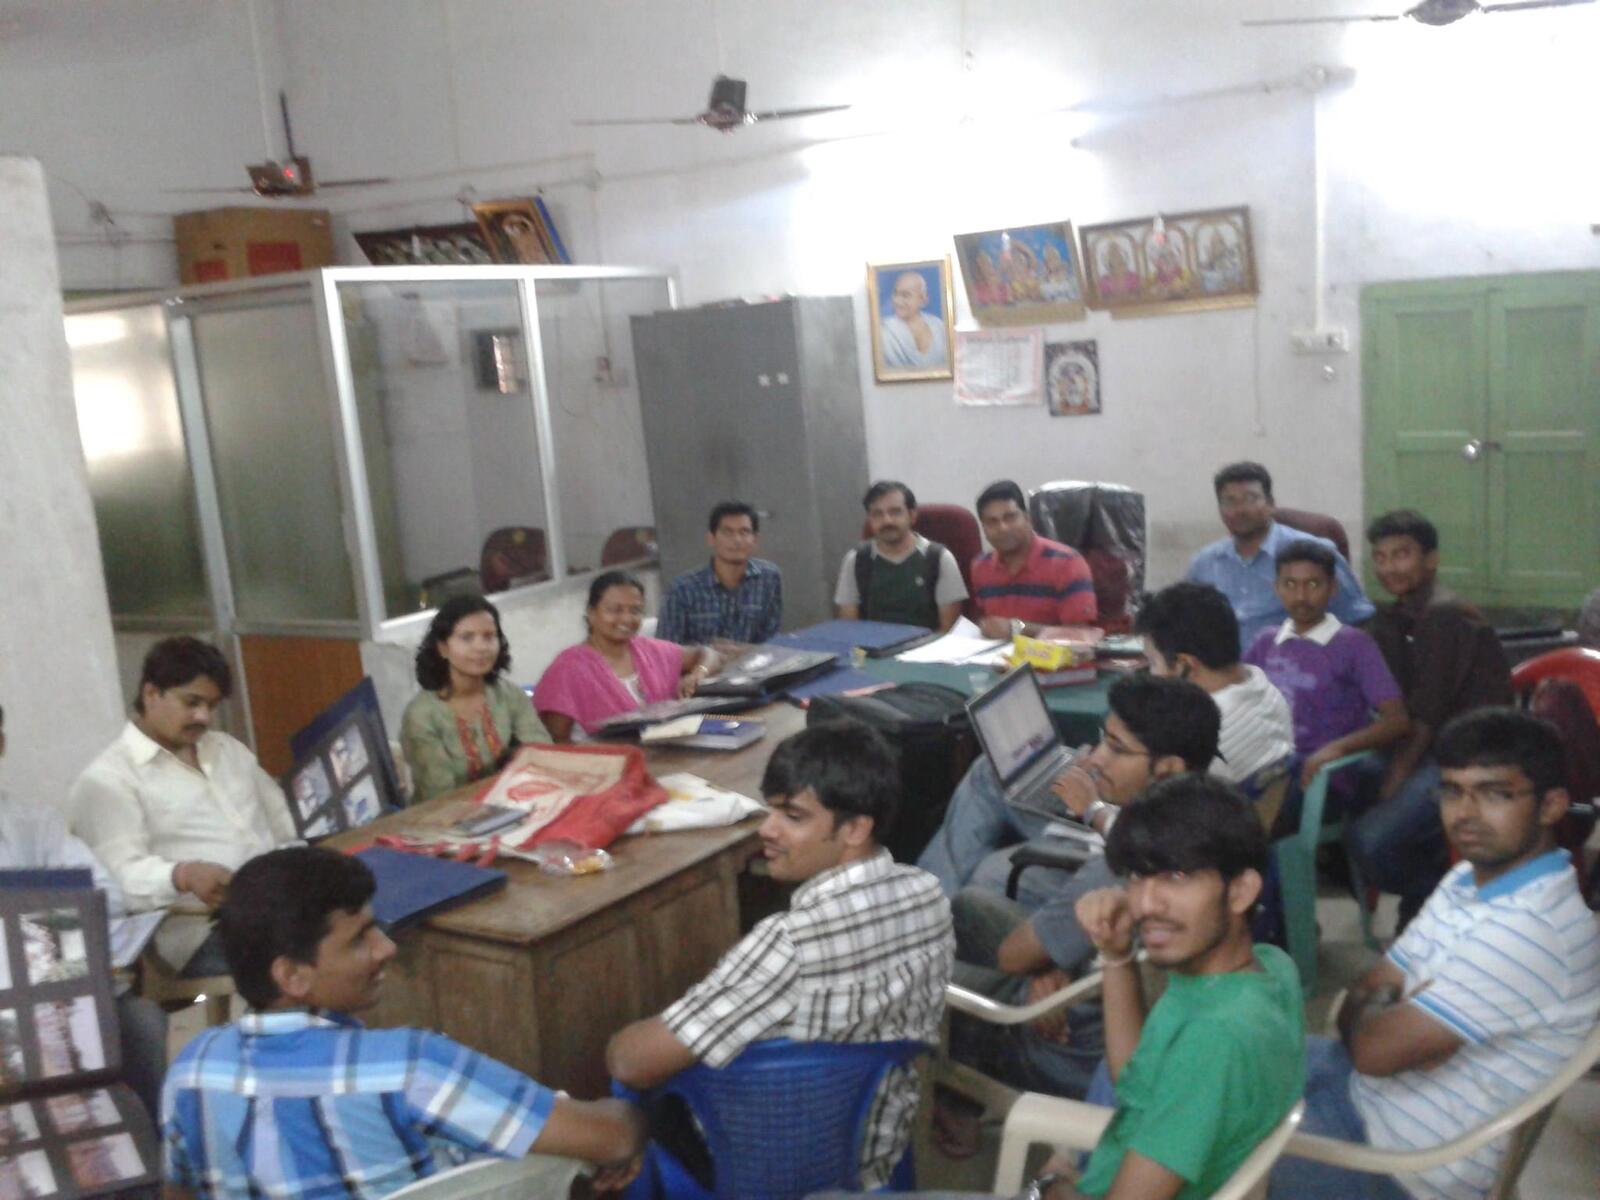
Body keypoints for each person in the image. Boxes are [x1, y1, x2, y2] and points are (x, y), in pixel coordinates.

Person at [839, 775, 1307, 1200]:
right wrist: (1116, 954)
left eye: (1177, 877)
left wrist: (1049, 1187)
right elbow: (1134, 1081)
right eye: (1138, 876)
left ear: (1241, 891)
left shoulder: (1214, 1041)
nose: (1145, 903)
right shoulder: (1269, 969)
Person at [161, 847, 645, 1200]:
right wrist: (629, 1114)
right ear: (291, 975)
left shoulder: (191, 1071)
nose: (386, 948)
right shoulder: (409, 1066)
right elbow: (612, 1137)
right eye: (359, 939)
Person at [606, 723, 953, 1191]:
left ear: (855, 828)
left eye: (793, 816)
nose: (766, 830)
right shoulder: (928, 896)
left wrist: (618, 1043)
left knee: (627, 1093)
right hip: (876, 1153)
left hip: (767, 1163)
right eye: (770, 808)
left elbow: (633, 1064)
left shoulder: (790, 943)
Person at [1270, 709, 1600, 1200]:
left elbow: (1373, 1050)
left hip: (1396, 1164)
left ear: (1551, 806)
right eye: (1451, 791)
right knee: (1220, 1063)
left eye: (1495, 794)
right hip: (1361, 1091)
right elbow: (1368, 990)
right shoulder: (1467, 878)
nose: (1465, 814)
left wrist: (1379, 1015)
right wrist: (1386, 1018)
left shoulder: (1533, 932)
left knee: (1205, 1149)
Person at [68, 637, 296, 978]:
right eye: (192, 702)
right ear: (151, 694)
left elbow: (283, 824)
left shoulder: (227, 750)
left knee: (364, 927)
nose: (203, 716)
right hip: (200, 930)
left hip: (278, 908)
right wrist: (183, 874)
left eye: (211, 705)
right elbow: (117, 881)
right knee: (316, 963)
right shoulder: (108, 780)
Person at [0, 703, 168, 1122]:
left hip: (49, 992)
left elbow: (104, 895)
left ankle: (153, 1156)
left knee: (142, 1023)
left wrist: (40, 925)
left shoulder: (35, 824)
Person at [918, 674, 1221, 905]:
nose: (1098, 758)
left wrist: (1092, 808)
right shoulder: (1184, 790)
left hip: (1103, 854)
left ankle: (933, 910)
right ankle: (933, 901)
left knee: (990, 873)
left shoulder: (1185, 832)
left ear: (1170, 767)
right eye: (1104, 739)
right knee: (990, 770)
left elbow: (1142, 852)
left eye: (1117, 749)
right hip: (1110, 820)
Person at [1352, 509, 1512, 924]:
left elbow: (1425, 714)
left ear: (1431, 560)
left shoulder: (1445, 615)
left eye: (1401, 554)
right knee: (1348, 783)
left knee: (1371, 841)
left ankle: (1434, 894)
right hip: (1427, 745)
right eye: (1381, 557)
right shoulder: (1399, 616)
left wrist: (1397, 776)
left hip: (1467, 756)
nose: (1389, 567)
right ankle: (1430, 887)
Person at [1243, 541, 1409, 796]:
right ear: (1276, 588)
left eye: (1313, 584)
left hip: (1322, 776)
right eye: (1290, 584)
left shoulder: (1354, 645)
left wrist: (1337, 748)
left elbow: (1396, 721)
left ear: (1333, 588)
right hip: (1265, 767)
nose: (1301, 596)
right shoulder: (1266, 641)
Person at [1187, 461, 1374, 650]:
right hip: (1222, 666)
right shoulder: (1204, 563)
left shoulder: (1315, 552)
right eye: (1229, 502)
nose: (1240, 510)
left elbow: (1356, 617)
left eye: (1250, 499)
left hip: (1294, 664)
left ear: (1271, 504)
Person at [1136, 581, 1295, 787]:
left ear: (1185, 664)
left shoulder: (1200, 737)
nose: (1151, 674)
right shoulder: (1265, 689)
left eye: (1153, 663)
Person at [534, 571, 719, 742]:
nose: (626, 619)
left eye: (635, 611)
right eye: (615, 610)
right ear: (591, 613)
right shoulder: (568, 668)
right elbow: (557, 741)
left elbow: (706, 653)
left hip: (669, 751)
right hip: (606, 761)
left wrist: (698, 673)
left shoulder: (650, 650)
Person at [399, 595, 547, 804]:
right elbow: (439, 794)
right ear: (443, 648)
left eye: (489, 637)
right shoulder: (422, 715)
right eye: (467, 638)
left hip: (511, 804)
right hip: (444, 815)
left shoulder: (509, 695)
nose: (481, 647)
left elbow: (543, 755)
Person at [968, 480, 1098, 638]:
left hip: (1052, 654)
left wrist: (1017, 628)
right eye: (992, 522)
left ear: (1027, 518)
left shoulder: (1067, 563)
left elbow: (1080, 635)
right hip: (998, 653)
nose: (1003, 528)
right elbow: (987, 623)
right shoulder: (981, 566)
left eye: (1010, 517)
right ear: (984, 529)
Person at [835, 481, 967, 632]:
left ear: (912, 515)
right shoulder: (856, 560)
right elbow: (850, 629)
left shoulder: (939, 559)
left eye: (895, 512)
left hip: (927, 645)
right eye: (877, 514)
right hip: (871, 645)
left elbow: (948, 632)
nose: (887, 521)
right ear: (870, 519)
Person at [655, 501, 782, 646]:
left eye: (744, 532)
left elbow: (771, 641)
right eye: (727, 532)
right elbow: (664, 650)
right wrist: (705, 654)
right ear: (711, 539)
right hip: (701, 661)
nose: (736, 540)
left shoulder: (769, 578)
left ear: (755, 539)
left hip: (754, 660)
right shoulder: (682, 589)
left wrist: (742, 652)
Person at [879, 270, 949, 369]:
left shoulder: (938, 325)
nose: (897, 301)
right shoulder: (884, 330)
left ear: (923, 299)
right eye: (895, 294)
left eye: (905, 295)